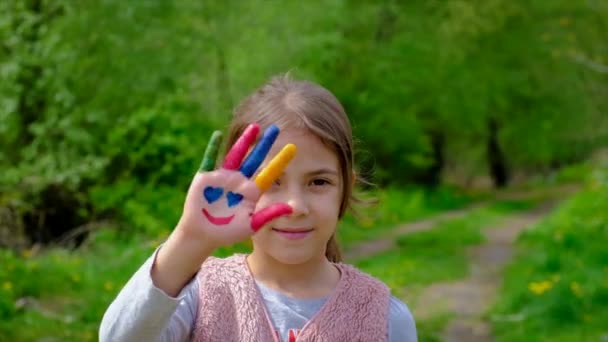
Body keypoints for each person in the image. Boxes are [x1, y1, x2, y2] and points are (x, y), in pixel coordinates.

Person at [99, 74, 418, 341]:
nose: (295, 206)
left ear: (345, 189)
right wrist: (190, 237)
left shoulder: (386, 318)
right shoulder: (200, 297)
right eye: (270, 182)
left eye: (318, 182)